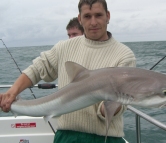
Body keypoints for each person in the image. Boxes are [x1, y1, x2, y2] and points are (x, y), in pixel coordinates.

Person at [0, 0, 136, 143]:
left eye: (98, 15)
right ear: (80, 19)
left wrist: (112, 102)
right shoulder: (64, 47)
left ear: (108, 16)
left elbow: (113, 110)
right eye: (87, 16)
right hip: (66, 136)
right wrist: (12, 93)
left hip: (106, 138)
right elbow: (37, 69)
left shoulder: (124, 55)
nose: (93, 22)